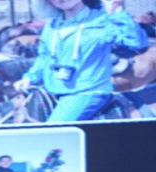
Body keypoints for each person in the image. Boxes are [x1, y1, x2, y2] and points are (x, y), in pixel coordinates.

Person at [14, 0, 148, 123]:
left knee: (52, 131)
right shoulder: (52, 26)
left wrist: (117, 13)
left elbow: (137, 43)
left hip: (87, 91)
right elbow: (45, 57)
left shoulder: (103, 21)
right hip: (54, 89)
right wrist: (30, 78)